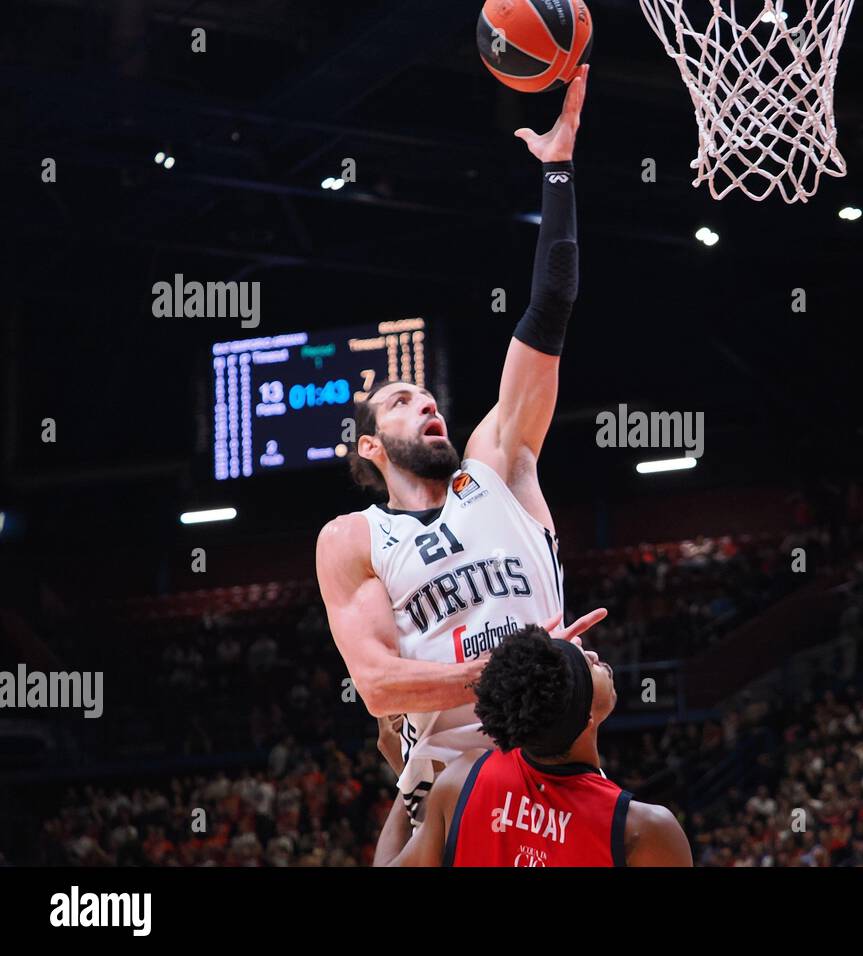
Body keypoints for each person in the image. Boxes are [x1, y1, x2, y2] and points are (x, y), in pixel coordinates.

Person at [317, 67, 598, 823]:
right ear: (372, 448)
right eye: (404, 402)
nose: (428, 402)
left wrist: (558, 171)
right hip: (448, 782)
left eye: (430, 394)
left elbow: (551, 307)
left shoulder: (499, 463)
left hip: (556, 760)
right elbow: (378, 683)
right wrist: (519, 672)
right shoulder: (352, 539)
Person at [374, 625, 691, 866]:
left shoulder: (463, 779)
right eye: (587, 665)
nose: (594, 655)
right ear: (586, 717)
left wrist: (409, 778)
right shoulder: (644, 831)